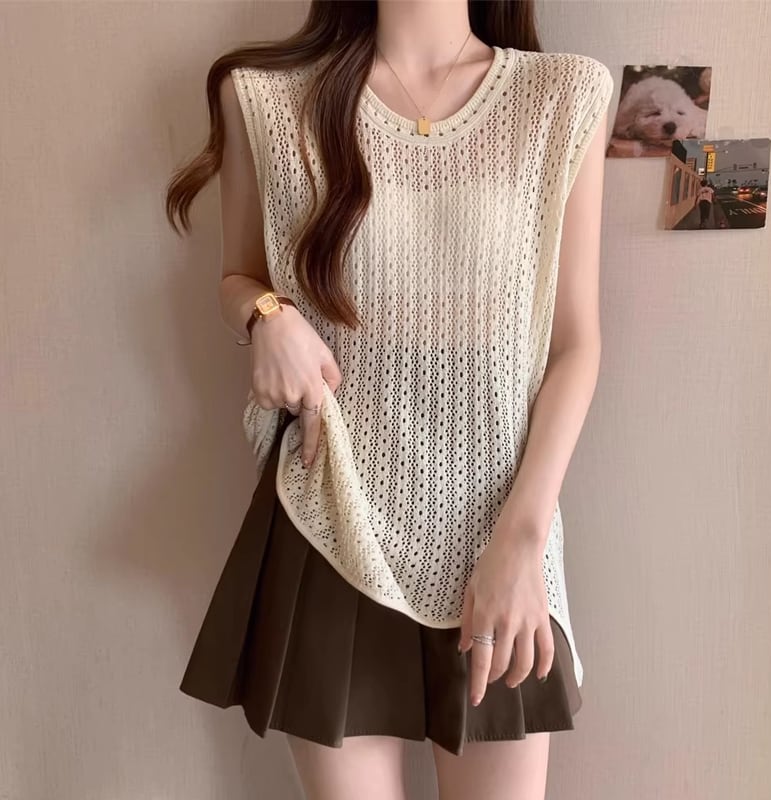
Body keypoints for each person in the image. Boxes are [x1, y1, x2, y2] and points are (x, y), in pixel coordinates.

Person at [165, 2, 613, 798]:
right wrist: (267, 316)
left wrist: (523, 539)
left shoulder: (562, 96)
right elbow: (239, 275)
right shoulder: (266, 99)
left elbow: (575, 346)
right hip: (329, 516)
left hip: (502, 530)